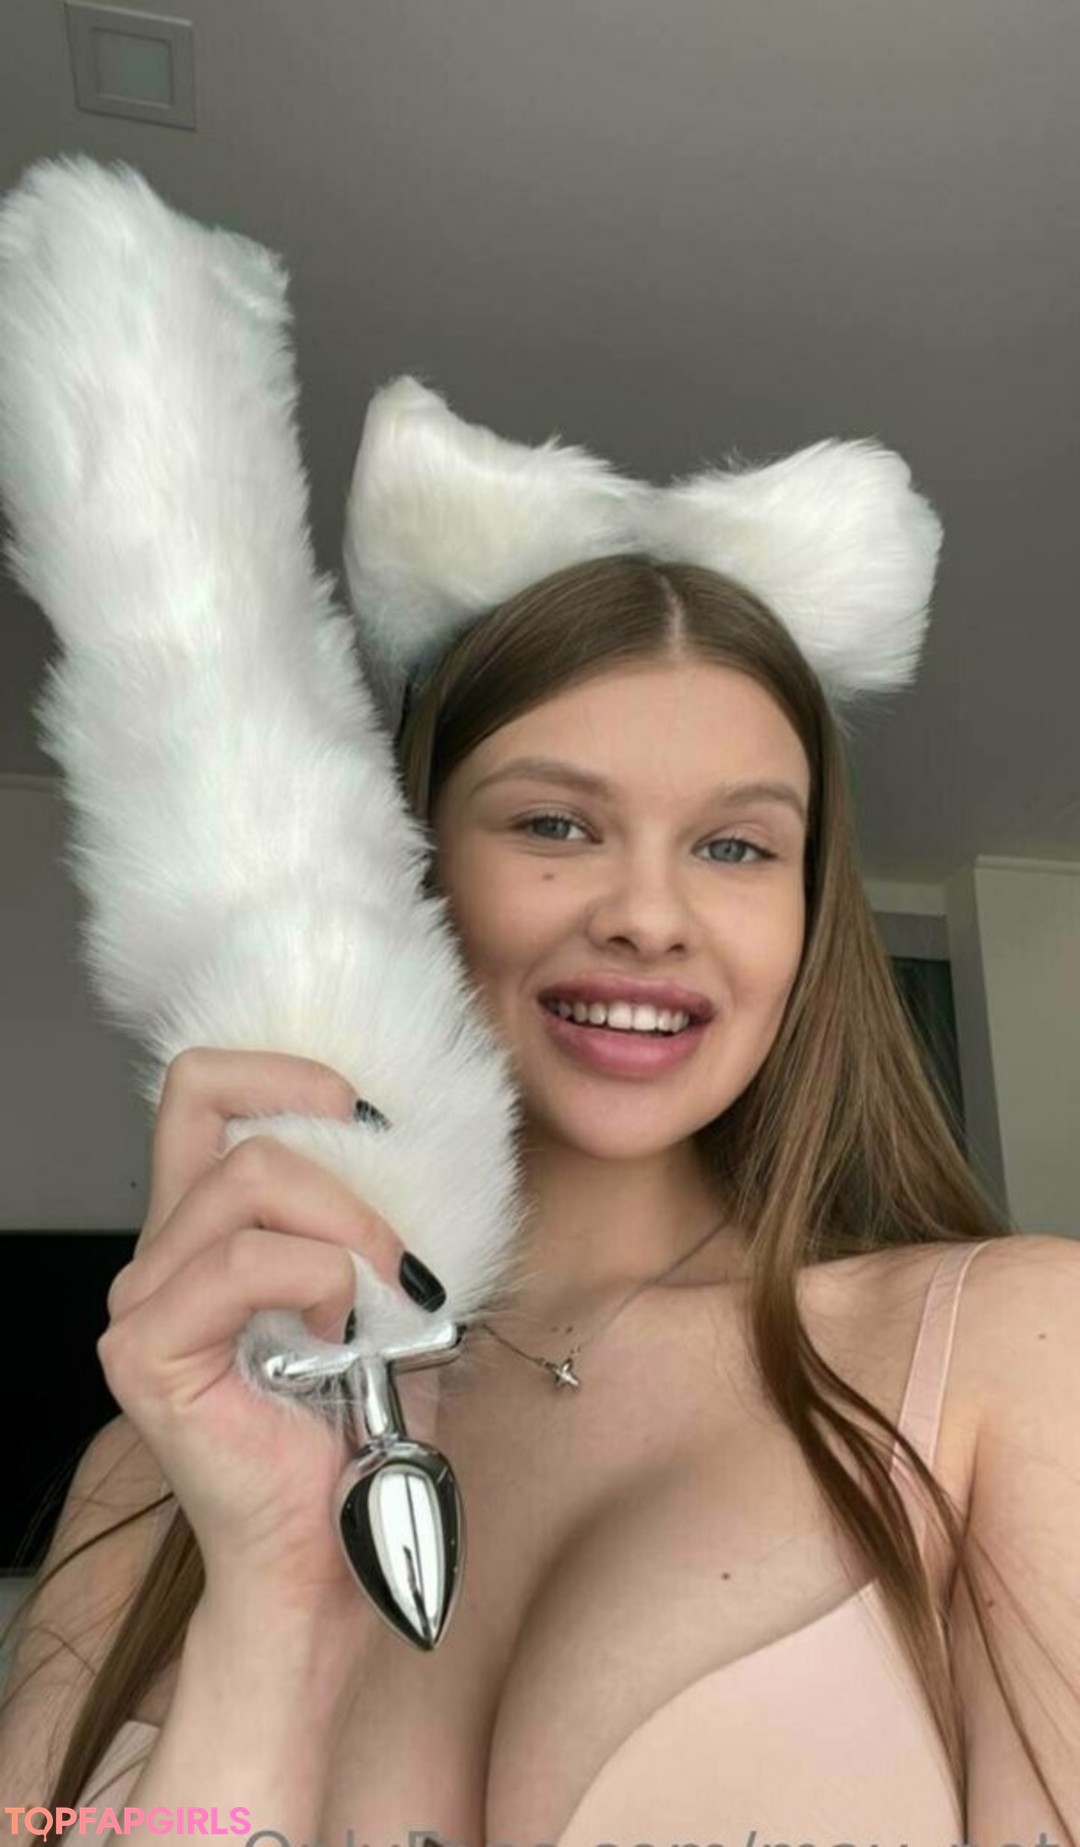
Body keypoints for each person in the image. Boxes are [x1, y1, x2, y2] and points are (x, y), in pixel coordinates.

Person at [0, 417, 1077, 1846]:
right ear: (409, 867)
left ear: (809, 912)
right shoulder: (150, 1469)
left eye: (737, 845)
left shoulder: (1013, 1352)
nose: (649, 915)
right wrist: (271, 1613)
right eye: (555, 826)